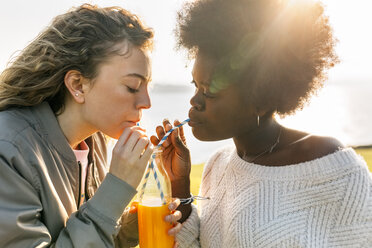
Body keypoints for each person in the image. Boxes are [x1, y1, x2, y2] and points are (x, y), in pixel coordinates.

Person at [151, 0, 372, 247]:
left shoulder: (333, 169)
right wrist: (179, 182)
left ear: (261, 99)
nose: (194, 101)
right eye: (195, 85)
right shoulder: (217, 166)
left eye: (209, 92)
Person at [0, 4, 181, 247]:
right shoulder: (8, 150)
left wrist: (139, 221)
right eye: (132, 87)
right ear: (78, 85)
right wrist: (117, 187)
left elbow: (90, 234)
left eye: (148, 86)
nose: (146, 103)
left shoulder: (95, 143)